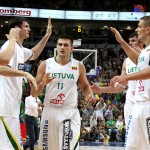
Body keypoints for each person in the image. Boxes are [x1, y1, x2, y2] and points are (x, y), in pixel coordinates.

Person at [31, 34, 95, 150]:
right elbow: (34, 93)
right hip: (50, 110)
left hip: (68, 111)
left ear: (71, 48)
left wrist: (89, 95)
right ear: (56, 46)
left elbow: (85, 86)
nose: (62, 47)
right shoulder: (45, 64)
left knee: (67, 146)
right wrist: (43, 83)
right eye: (60, 44)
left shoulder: (78, 65)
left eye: (65, 45)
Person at [0, 16, 52, 150]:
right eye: (26, 26)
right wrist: (25, 73)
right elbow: (2, 66)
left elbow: (34, 54)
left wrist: (47, 35)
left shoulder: (20, 48)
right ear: (16, 29)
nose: (29, 29)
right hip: (5, 106)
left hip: (12, 106)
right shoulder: (9, 46)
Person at [109, 16, 150, 150]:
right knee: (132, 147)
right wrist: (121, 41)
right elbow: (138, 60)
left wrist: (126, 78)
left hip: (148, 105)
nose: (137, 29)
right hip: (138, 105)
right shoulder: (145, 51)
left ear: (148, 29)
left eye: (139, 26)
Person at [91, 32, 144, 124]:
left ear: (141, 42)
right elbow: (120, 87)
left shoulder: (147, 57)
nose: (130, 43)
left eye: (133, 40)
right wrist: (100, 89)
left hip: (145, 103)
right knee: (131, 137)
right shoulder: (126, 62)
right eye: (129, 41)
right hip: (131, 104)